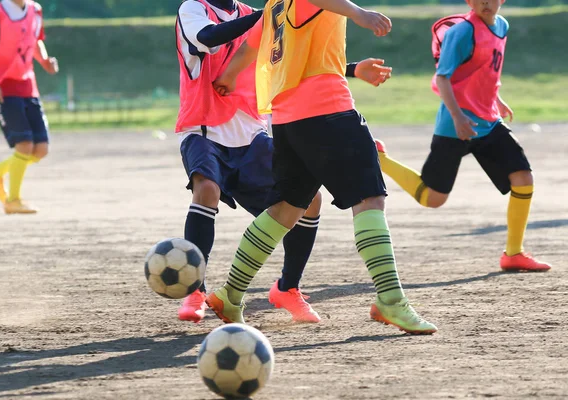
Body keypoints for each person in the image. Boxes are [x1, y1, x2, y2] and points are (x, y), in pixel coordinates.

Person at [207, 0, 438, 334]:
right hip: (327, 111)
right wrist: (359, 13)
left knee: (286, 209)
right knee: (369, 199)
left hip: (287, 119)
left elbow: (248, 49)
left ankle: (230, 293)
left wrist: (227, 77)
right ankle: (389, 299)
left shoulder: (276, 5)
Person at [174, 0, 323, 324]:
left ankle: (288, 288)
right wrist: (266, 16)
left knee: (310, 198)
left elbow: (295, 61)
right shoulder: (192, 9)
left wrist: (352, 70)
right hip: (203, 128)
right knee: (207, 189)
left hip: (252, 131)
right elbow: (209, 37)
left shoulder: (254, 14)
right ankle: (195, 291)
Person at [375, 0, 551, 272]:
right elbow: (443, 78)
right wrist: (457, 117)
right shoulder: (461, 32)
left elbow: (485, 71)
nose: (485, 3)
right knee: (433, 198)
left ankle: (513, 253)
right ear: (468, 1)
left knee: (523, 179)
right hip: (455, 124)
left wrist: (498, 99)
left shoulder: (502, 25)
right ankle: (380, 159)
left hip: (489, 122)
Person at [0, 0, 59, 214]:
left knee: (40, 150)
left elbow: (35, 40)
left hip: (29, 88)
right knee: (25, 145)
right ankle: (13, 200)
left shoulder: (35, 10)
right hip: (4, 89)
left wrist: (45, 60)